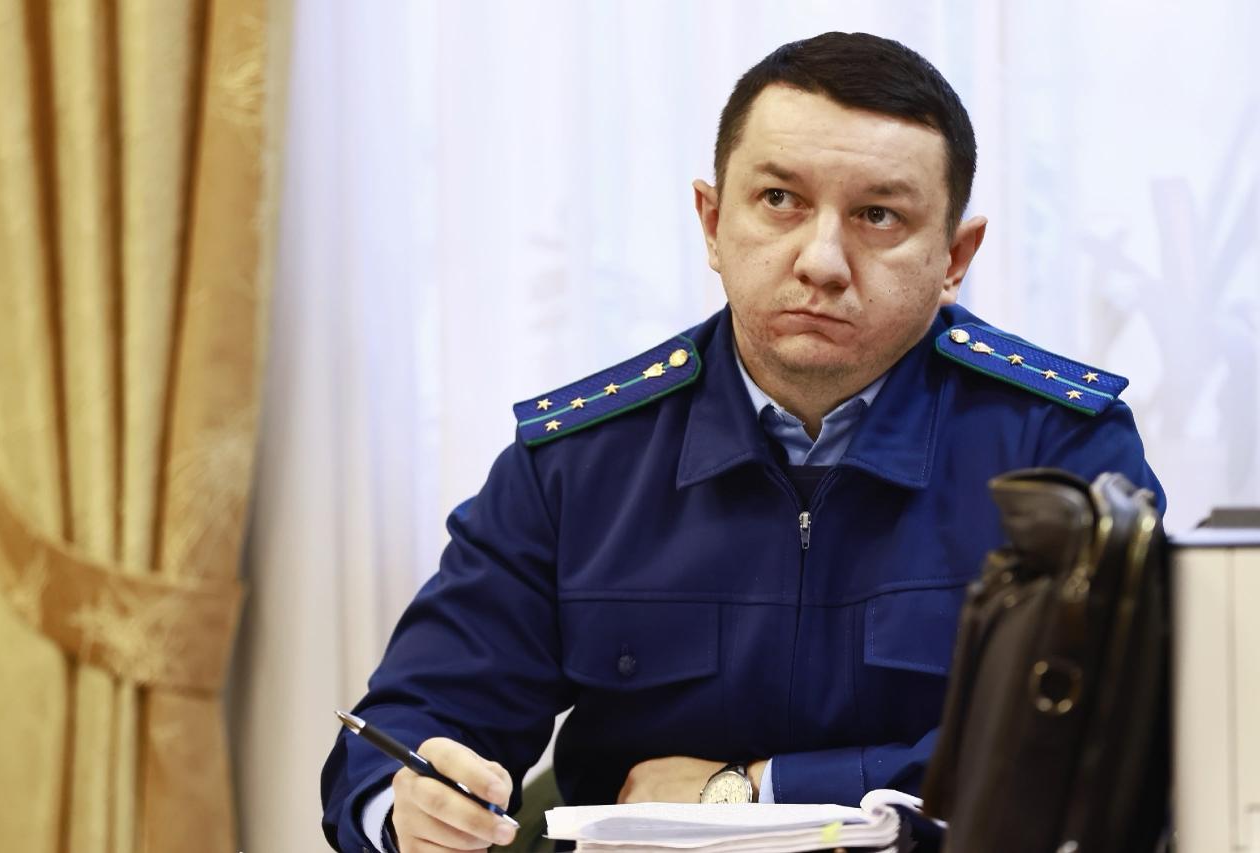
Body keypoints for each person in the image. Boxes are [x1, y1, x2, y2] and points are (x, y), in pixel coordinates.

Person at [321, 31, 1164, 853]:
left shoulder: (1060, 450)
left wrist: (756, 788)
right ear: (713, 221)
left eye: (878, 215)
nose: (822, 261)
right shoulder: (580, 461)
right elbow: (412, 720)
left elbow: (1113, 739)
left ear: (955, 256)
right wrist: (406, 806)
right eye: (780, 201)